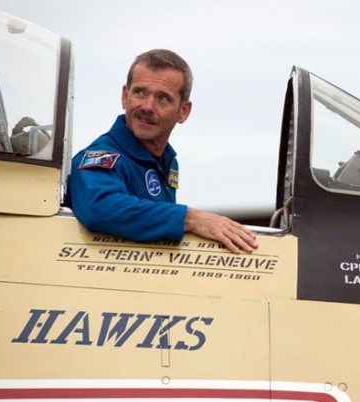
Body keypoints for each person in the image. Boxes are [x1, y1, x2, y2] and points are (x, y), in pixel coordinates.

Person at [65, 49, 258, 254]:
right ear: (124, 96)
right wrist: (191, 219)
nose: (148, 106)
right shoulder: (102, 156)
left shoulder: (165, 160)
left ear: (183, 111)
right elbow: (99, 208)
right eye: (140, 92)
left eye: (162, 98)